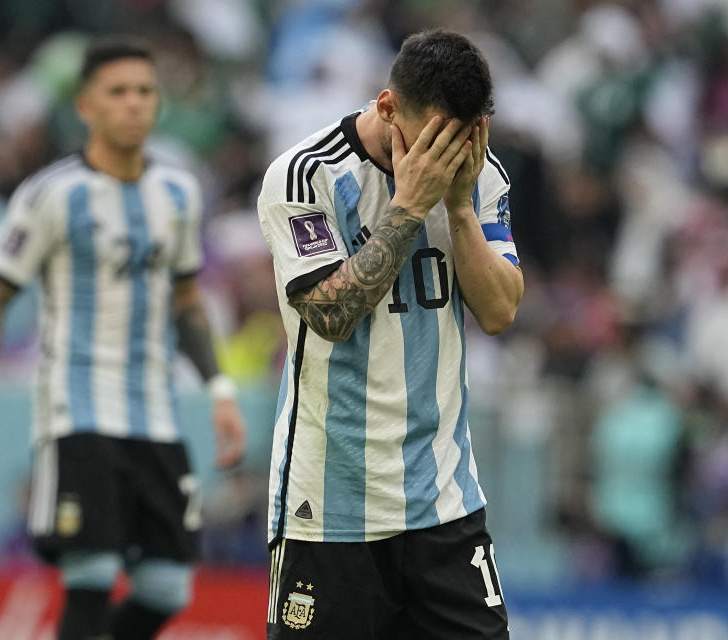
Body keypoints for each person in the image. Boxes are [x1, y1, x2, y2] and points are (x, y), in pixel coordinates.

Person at [0, 39, 246, 640]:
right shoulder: (51, 194)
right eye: (118, 92)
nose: (134, 104)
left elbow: (187, 300)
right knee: (93, 571)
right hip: (76, 408)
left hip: (157, 414)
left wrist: (218, 389)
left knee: (167, 588)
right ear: (85, 106)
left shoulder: (180, 194)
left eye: (145, 91)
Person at [257, 29, 523, 639]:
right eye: (434, 140)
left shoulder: (479, 174)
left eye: (463, 139)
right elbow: (329, 317)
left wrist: (457, 209)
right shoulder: (305, 176)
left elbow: (501, 311)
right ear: (386, 107)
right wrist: (408, 208)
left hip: (444, 503)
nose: (449, 157)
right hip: (328, 510)